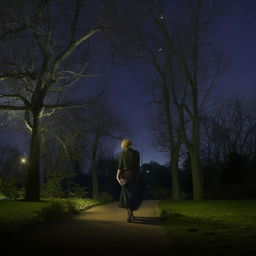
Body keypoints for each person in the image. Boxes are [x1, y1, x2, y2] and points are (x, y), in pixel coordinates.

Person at [116, 139, 142, 223]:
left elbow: (120, 167)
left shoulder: (122, 154)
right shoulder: (136, 153)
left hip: (125, 176)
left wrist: (117, 176)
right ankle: (132, 214)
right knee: (133, 195)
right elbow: (137, 166)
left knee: (127, 196)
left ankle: (130, 215)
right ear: (131, 144)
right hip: (134, 175)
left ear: (123, 145)